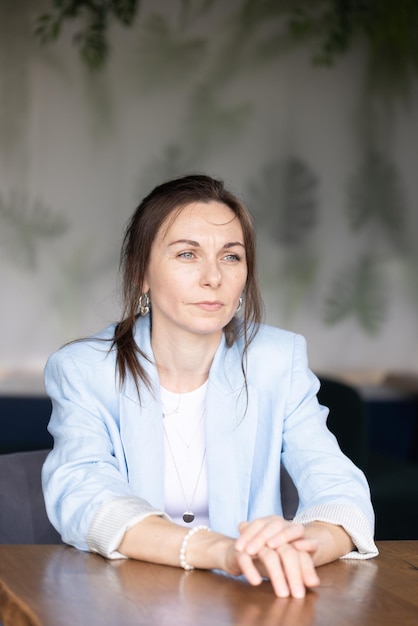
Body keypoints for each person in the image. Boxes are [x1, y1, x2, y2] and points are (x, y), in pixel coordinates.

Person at [42, 174, 378, 599]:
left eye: (231, 257)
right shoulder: (84, 369)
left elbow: (340, 490)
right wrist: (218, 550)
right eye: (187, 254)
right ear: (141, 272)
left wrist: (299, 547)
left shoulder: (277, 360)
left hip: (249, 599)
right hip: (125, 599)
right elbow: (84, 495)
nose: (212, 277)